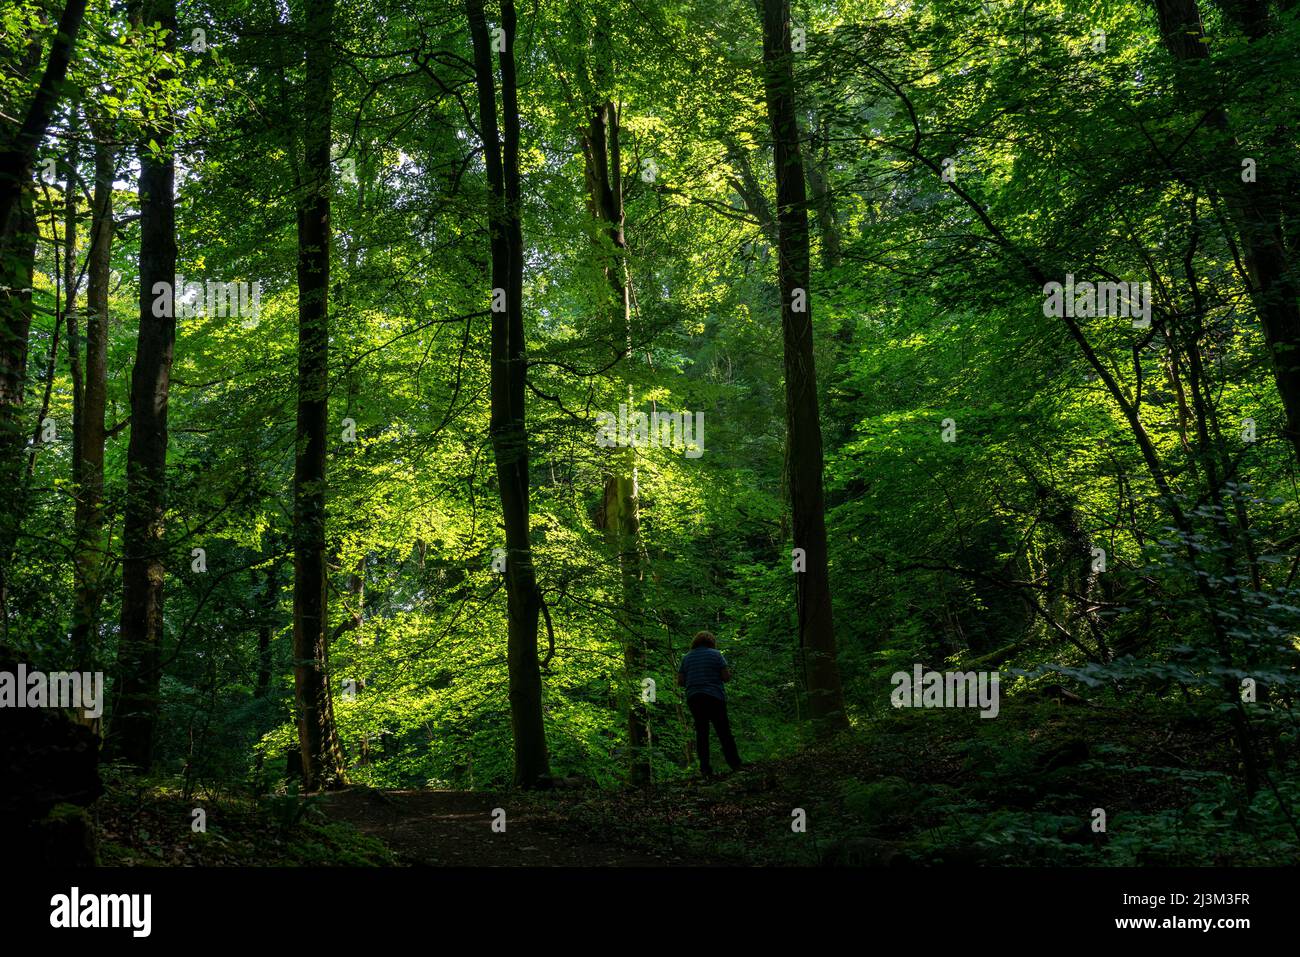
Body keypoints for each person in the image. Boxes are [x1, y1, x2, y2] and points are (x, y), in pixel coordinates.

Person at [676, 631, 744, 777]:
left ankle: (705, 769)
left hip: (694, 698)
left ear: (695, 642)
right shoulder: (716, 654)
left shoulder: (686, 658)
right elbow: (726, 677)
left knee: (702, 733)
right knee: (724, 731)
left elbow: (680, 681)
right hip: (714, 697)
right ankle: (735, 764)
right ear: (711, 642)